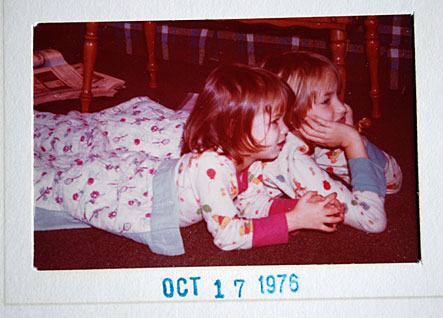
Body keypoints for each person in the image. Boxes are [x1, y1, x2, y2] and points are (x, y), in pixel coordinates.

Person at [34, 63, 344, 255]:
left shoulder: (247, 158)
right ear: (236, 127)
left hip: (151, 171)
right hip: (139, 193)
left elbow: (250, 204)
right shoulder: (214, 166)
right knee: (54, 182)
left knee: (78, 158)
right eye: (275, 121)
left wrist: (299, 209)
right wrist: (294, 221)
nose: (285, 129)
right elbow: (227, 235)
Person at [260, 51, 402, 233]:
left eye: (338, 96)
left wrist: (356, 141)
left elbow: (393, 181)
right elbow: (372, 221)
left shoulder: (310, 137)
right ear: (292, 113)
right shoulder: (291, 157)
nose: (342, 107)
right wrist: (352, 144)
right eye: (326, 101)